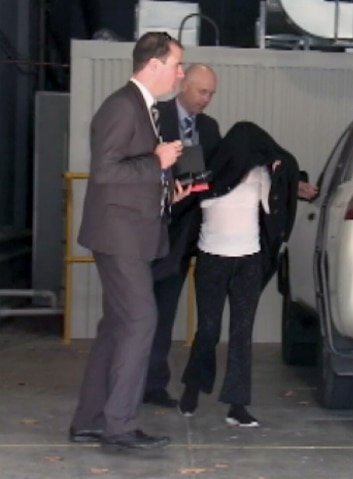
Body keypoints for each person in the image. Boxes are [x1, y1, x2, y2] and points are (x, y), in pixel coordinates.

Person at [68, 31, 189, 450]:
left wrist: (166, 190)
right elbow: (105, 171)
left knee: (117, 327)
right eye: (177, 64)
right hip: (119, 235)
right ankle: (118, 426)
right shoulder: (122, 107)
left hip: (130, 233)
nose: (181, 73)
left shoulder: (145, 108)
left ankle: (89, 420)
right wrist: (157, 161)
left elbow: (128, 172)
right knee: (141, 321)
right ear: (153, 64)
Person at [177, 121, 301, 427]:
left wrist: (286, 176)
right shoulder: (206, 169)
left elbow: (278, 199)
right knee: (208, 329)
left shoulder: (261, 174)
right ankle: (193, 387)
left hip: (249, 261)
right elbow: (187, 198)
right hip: (212, 259)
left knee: (242, 334)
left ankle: (237, 405)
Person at [143, 64, 222, 408]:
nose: (206, 99)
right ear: (184, 85)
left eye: (211, 94)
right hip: (145, 231)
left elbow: (216, 174)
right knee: (134, 313)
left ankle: (153, 385)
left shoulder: (208, 128)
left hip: (183, 237)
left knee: (165, 313)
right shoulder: (154, 117)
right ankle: (122, 384)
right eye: (202, 91)